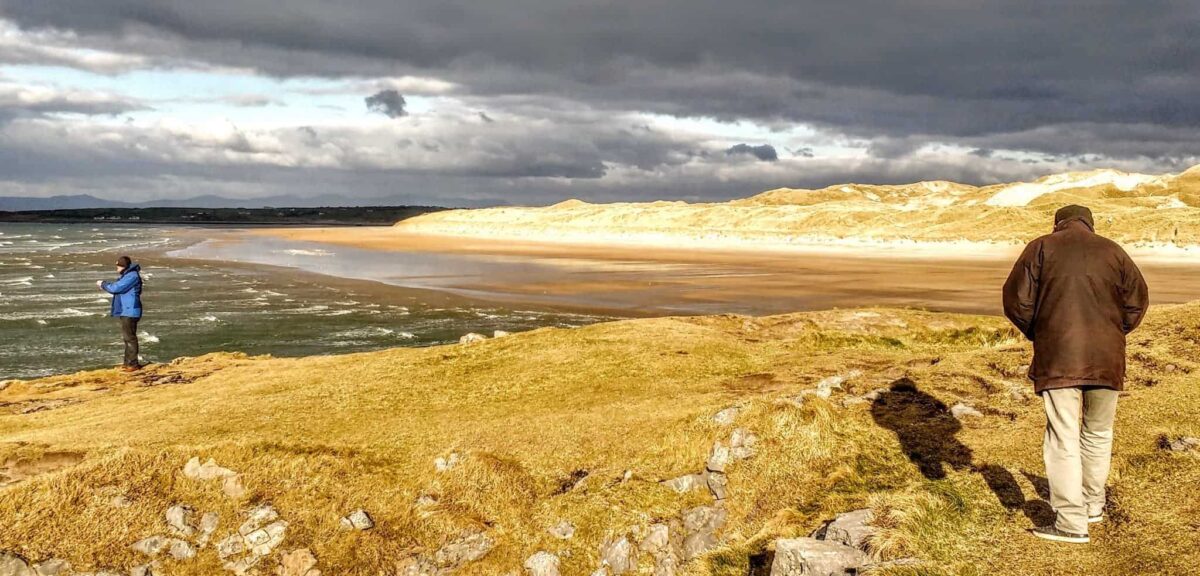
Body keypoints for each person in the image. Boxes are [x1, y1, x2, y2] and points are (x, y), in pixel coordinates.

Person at [1002, 205, 1149, 544]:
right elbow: (1137, 302)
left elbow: (1015, 301)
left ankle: (1071, 522)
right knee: (1098, 432)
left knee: (1063, 436)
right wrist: (1114, 332)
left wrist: (1041, 332)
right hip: (1108, 357)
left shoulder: (1040, 247)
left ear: (1057, 224)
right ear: (1090, 225)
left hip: (1059, 358)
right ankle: (1093, 505)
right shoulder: (1114, 251)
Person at [97, 255, 144, 371]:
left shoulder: (131, 276)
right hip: (127, 310)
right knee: (127, 338)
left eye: (118, 266)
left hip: (130, 310)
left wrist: (103, 284)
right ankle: (128, 363)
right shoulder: (128, 275)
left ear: (123, 266)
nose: (116, 269)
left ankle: (133, 364)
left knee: (130, 338)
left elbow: (116, 288)